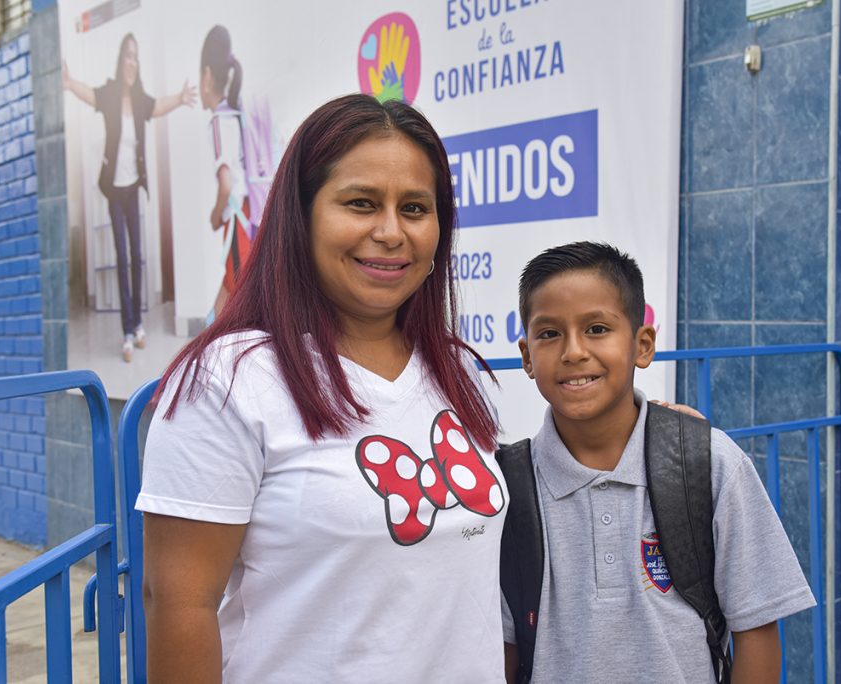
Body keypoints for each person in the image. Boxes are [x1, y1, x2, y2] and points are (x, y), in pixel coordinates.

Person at [135, 94, 508, 682]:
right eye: (360, 203)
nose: (390, 232)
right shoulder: (229, 380)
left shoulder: (459, 373)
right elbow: (180, 604)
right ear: (301, 216)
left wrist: (646, 427)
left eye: (415, 208)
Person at [505, 241, 816, 683]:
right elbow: (501, 647)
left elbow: (757, 630)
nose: (573, 351)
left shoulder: (710, 464)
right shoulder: (507, 490)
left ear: (642, 345)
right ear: (526, 357)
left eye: (596, 328)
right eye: (549, 333)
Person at [63, 34, 196, 362]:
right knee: (122, 257)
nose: (132, 62)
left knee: (137, 256)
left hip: (134, 186)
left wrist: (179, 98)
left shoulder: (139, 100)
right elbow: (88, 93)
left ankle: (138, 326)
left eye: (136, 57)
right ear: (120, 60)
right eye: (128, 55)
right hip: (113, 188)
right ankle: (127, 331)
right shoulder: (108, 94)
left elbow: (159, 105)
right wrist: (68, 83)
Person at [199, 25, 252, 319]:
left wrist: (214, 215)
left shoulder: (219, 121)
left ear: (207, 77)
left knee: (236, 297)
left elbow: (226, 184)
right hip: (252, 218)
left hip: (236, 223)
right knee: (232, 290)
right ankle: (204, 344)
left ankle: (207, 348)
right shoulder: (239, 113)